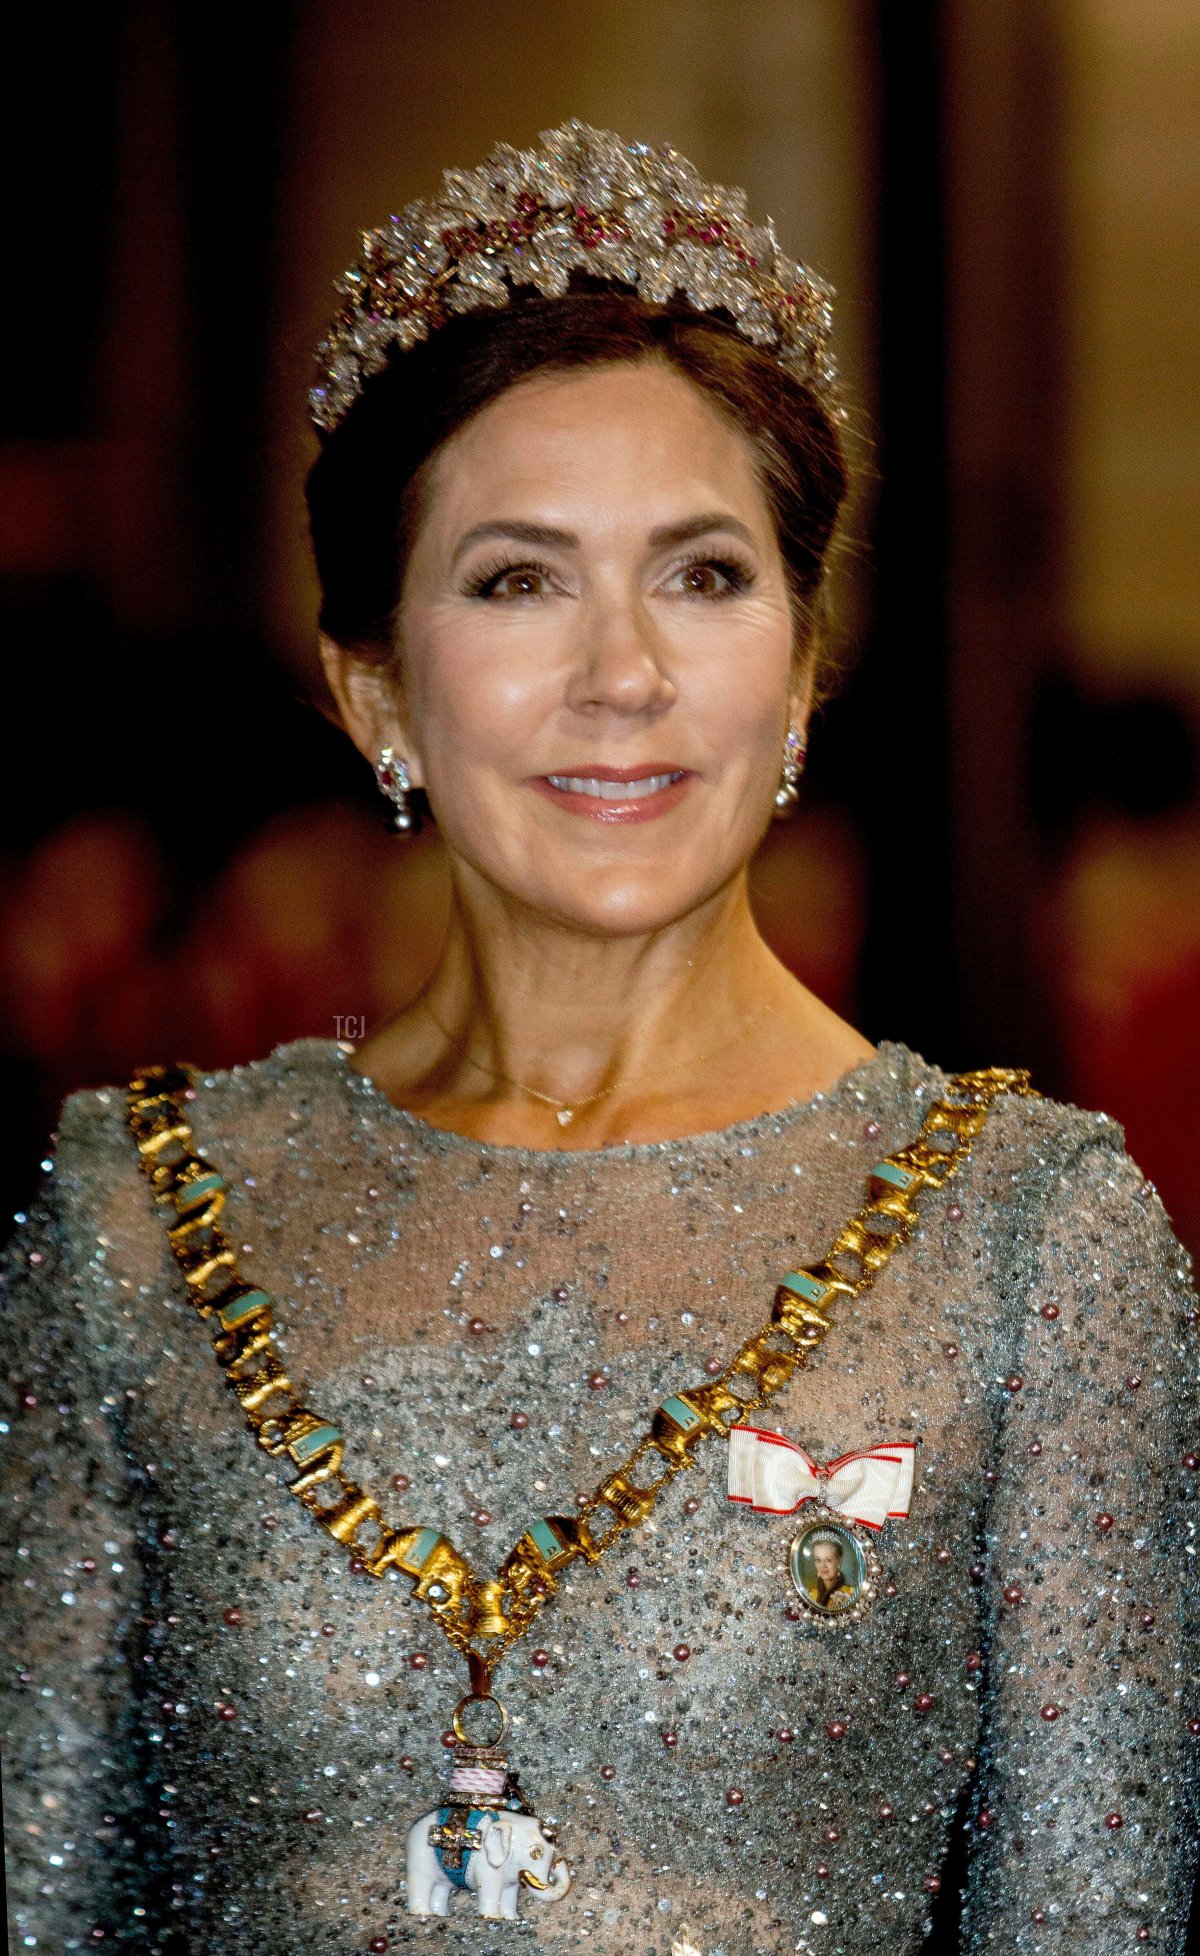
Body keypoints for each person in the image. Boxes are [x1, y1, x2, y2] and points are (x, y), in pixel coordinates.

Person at [2, 121, 1197, 1956]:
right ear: (373, 683)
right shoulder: (134, 1217)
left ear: (800, 668)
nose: (623, 672)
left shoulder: (1033, 1237)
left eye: (705, 575)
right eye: (516, 579)